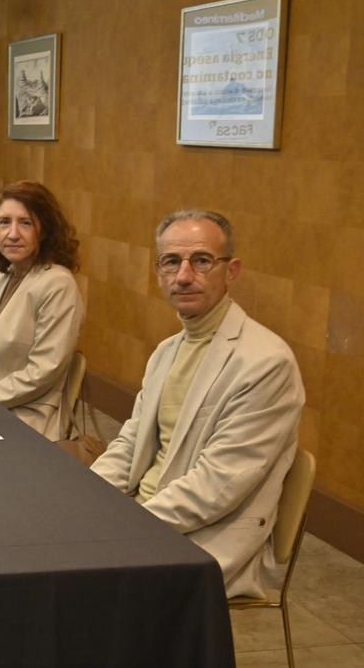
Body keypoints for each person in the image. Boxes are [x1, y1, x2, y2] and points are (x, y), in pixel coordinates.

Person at [90, 209, 304, 598]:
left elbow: (218, 487)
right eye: (171, 262)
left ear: (232, 271)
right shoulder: (166, 351)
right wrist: (87, 500)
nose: (184, 275)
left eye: (202, 261)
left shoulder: (265, 362)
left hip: (208, 534)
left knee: (76, 587)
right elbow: (129, 443)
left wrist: (123, 524)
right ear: (158, 271)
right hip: (147, 512)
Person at [0, 181, 84, 439]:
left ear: (45, 230)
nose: (13, 233)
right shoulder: (2, 275)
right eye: (4, 222)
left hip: (26, 417)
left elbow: (42, 372)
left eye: (25, 223)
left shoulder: (57, 283)